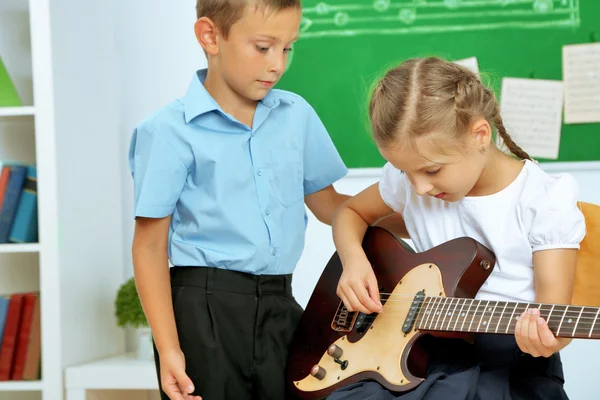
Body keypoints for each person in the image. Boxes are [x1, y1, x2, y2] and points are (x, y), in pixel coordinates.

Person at [128, 1, 350, 399]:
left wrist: (407, 206)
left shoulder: (295, 115)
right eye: (263, 47)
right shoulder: (167, 131)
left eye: (288, 47)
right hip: (203, 310)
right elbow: (148, 247)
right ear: (210, 37)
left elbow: (329, 205)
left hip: (280, 302)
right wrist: (169, 349)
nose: (278, 65)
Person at [329, 56, 586, 400]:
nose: (418, 188)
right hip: (418, 355)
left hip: (508, 368)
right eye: (406, 173)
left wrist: (547, 340)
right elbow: (350, 212)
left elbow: (557, 324)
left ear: (479, 135)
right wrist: (354, 262)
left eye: (432, 171)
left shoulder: (544, 200)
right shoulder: (415, 181)